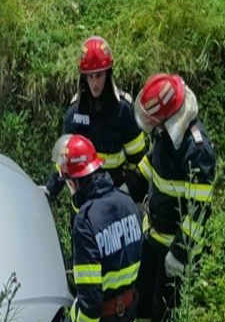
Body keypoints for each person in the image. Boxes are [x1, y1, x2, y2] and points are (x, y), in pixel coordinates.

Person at [46, 134, 143, 322]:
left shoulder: (85, 222)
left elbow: (90, 305)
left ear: (74, 182)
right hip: (128, 318)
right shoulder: (128, 202)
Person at [133, 73, 216, 322]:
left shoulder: (196, 148)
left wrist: (179, 254)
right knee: (143, 294)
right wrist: (126, 186)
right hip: (154, 233)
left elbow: (200, 211)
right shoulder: (167, 132)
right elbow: (153, 163)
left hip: (175, 247)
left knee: (164, 307)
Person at [44, 36, 149, 203]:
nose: (94, 84)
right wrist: (50, 190)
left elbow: (141, 163)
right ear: (83, 77)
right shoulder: (75, 112)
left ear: (108, 73)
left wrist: (127, 195)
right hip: (83, 202)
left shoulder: (123, 111)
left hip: (114, 197)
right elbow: (64, 161)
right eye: (90, 76)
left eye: (99, 76)